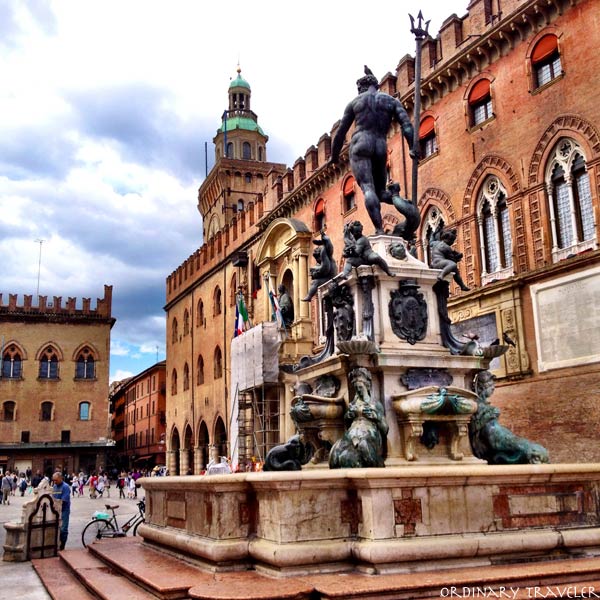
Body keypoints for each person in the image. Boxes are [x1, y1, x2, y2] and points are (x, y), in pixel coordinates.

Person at [331, 66, 415, 235]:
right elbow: (406, 125)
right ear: (376, 86)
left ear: (360, 89)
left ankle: (379, 230)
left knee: (368, 189)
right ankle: (398, 199)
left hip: (360, 143)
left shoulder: (356, 102)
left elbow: (340, 134)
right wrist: (413, 147)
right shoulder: (391, 101)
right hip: (380, 145)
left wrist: (333, 157)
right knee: (381, 191)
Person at [429, 227, 470, 292]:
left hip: (433, 263)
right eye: (452, 241)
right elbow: (452, 260)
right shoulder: (446, 247)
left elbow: (430, 242)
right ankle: (441, 275)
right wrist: (458, 256)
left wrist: (433, 234)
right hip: (439, 263)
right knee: (453, 265)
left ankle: (462, 286)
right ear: (450, 240)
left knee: (455, 270)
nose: (452, 243)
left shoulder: (436, 243)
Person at [302, 231, 337, 302]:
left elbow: (325, 269)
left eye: (317, 258)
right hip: (328, 278)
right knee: (314, 282)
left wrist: (324, 238)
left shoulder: (326, 254)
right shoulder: (320, 261)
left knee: (315, 282)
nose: (317, 260)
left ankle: (309, 296)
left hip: (332, 277)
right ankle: (309, 296)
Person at [52, 471, 71, 550]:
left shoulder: (65, 487)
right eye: (53, 480)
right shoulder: (55, 486)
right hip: (56, 510)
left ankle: (62, 545)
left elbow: (64, 500)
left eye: (56, 480)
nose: (54, 482)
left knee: (63, 528)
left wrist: (57, 503)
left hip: (64, 510)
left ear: (60, 478)